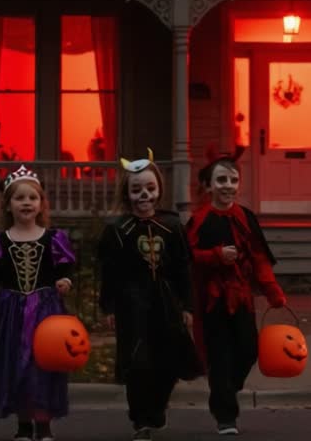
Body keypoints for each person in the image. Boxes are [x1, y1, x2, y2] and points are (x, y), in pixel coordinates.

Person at [98, 149, 202, 440]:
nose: (144, 195)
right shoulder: (119, 231)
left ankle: (157, 409)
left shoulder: (171, 226)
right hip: (132, 304)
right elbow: (110, 272)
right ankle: (141, 418)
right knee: (138, 362)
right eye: (136, 190)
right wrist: (108, 307)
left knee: (168, 361)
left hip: (166, 302)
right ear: (127, 193)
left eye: (150, 188)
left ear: (159, 190)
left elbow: (183, 269)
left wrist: (188, 306)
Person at [0, 165, 75, 441]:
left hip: (45, 312)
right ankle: (24, 425)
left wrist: (65, 281)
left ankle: (44, 425)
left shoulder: (53, 239)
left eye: (32, 198)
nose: (26, 202)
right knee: (17, 366)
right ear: (7, 205)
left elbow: (63, 271)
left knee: (43, 368)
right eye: (19, 198)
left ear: (41, 205)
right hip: (11, 312)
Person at [186, 149, 286, 436]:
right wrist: (216, 256)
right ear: (208, 185)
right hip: (212, 300)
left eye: (232, 180)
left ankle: (225, 390)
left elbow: (259, 259)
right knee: (218, 357)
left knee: (248, 349)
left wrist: (272, 291)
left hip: (241, 297)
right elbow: (187, 257)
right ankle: (225, 416)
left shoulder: (246, 217)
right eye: (221, 180)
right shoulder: (199, 220)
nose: (227, 186)